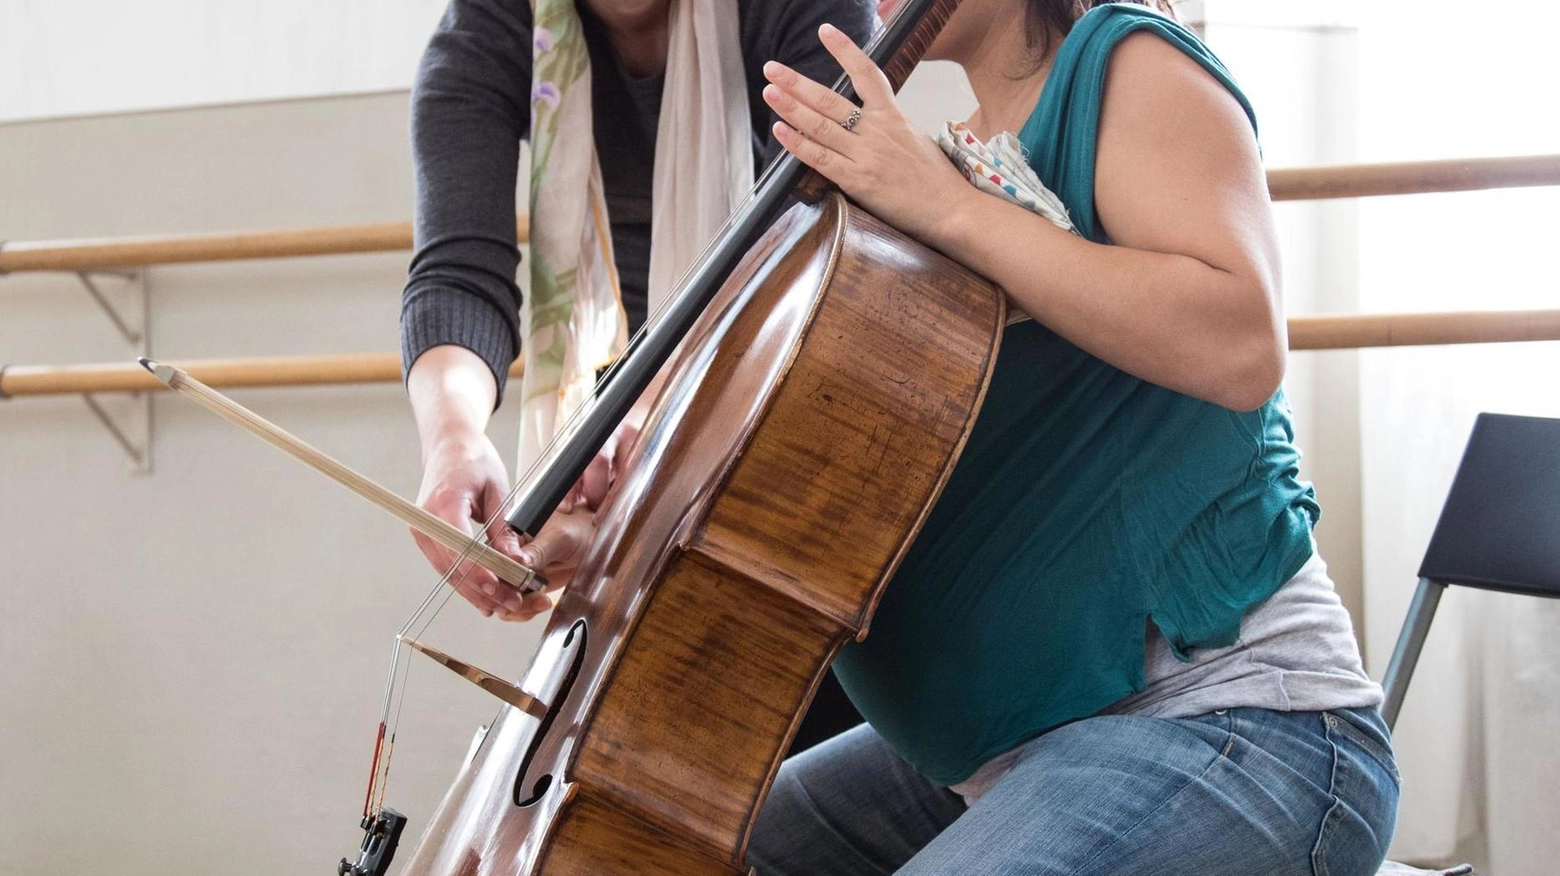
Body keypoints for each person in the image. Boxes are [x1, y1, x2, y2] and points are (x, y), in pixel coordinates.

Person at [734, 1, 1401, 874]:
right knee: (667, 850)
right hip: (1004, 752)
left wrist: (950, 211)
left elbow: (1242, 342)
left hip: (1235, 720)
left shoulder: (1125, 61)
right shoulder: (951, 147)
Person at [398, 0, 876, 747]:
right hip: (616, 388)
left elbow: (834, 244)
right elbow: (459, 273)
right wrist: (454, 440)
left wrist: (658, 414)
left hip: (792, 369)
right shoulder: (488, 27)